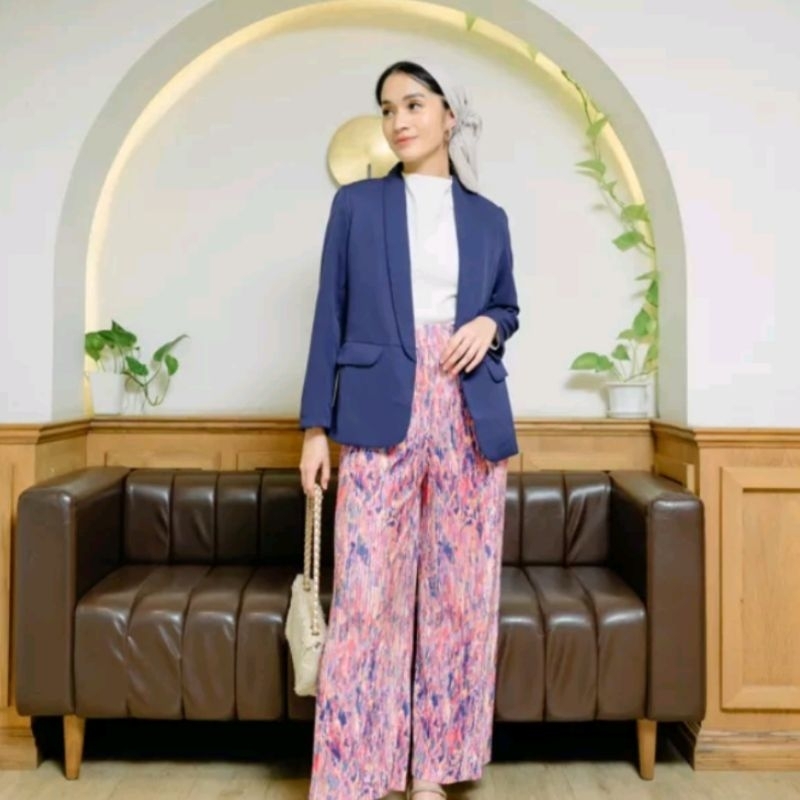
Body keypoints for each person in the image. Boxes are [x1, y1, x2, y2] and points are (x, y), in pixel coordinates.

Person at [298, 59, 520, 800]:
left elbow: (508, 307)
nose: (399, 120)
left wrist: (489, 324)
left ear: (449, 116)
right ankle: (358, 771)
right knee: (367, 594)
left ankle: (435, 771)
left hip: (468, 407)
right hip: (377, 407)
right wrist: (314, 428)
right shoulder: (357, 207)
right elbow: (328, 316)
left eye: (414, 104)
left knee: (461, 598)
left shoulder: (489, 218)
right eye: (388, 108)